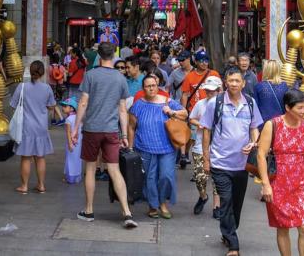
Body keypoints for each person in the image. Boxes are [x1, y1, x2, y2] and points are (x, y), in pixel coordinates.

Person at [70, 42, 138, 229]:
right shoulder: (120, 78)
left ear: (99, 56)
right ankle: (126, 212)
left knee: (91, 169)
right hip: (111, 131)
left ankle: (89, 210)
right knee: (114, 170)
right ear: (113, 56)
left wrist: (75, 128)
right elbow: (122, 109)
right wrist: (124, 134)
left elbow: (83, 102)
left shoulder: (90, 75)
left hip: (92, 128)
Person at [200, 68, 264, 256]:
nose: (234, 84)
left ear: (243, 83)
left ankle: (228, 231)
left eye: (237, 80)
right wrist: (206, 159)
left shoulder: (250, 103)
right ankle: (234, 245)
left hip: (241, 164)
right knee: (226, 201)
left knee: (236, 204)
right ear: (225, 83)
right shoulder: (215, 103)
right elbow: (206, 131)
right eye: (231, 80)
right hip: (220, 163)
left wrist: (253, 143)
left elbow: (255, 128)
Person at [258, 89, 304, 256]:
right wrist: (265, 184)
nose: (303, 112)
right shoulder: (273, 125)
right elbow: (261, 155)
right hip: (278, 182)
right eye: (300, 108)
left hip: (301, 181)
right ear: (288, 107)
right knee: (283, 227)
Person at [128, 74, 187, 219]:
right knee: (150, 177)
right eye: (148, 86)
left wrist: (171, 112)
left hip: (166, 147)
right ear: (143, 88)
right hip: (144, 146)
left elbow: (185, 114)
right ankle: (153, 205)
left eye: (153, 85)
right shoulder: (138, 105)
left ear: (157, 86)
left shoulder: (167, 101)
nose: (151, 88)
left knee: (166, 176)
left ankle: (163, 202)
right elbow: (131, 127)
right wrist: (130, 148)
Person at [11, 61, 56, 194]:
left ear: (29, 71)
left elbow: (14, 104)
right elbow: (51, 106)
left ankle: (24, 186)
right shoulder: (47, 88)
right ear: (42, 73)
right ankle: (41, 185)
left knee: (26, 157)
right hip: (41, 126)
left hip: (26, 127)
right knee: (40, 157)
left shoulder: (22, 87)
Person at [188, 76, 223, 217]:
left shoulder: (225, 106)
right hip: (199, 145)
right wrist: (200, 124)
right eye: (207, 90)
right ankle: (203, 197)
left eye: (212, 91)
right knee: (199, 177)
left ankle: (217, 206)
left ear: (219, 90)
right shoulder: (201, 104)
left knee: (217, 179)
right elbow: (191, 118)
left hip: (219, 148)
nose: (209, 93)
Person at [62, 97, 82, 184]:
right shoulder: (78, 118)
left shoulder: (68, 120)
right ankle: (77, 177)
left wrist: (70, 144)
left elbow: (68, 133)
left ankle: (70, 178)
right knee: (77, 159)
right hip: (79, 142)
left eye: (65, 106)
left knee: (70, 159)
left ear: (71, 108)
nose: (63, 108)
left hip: (71, 143)